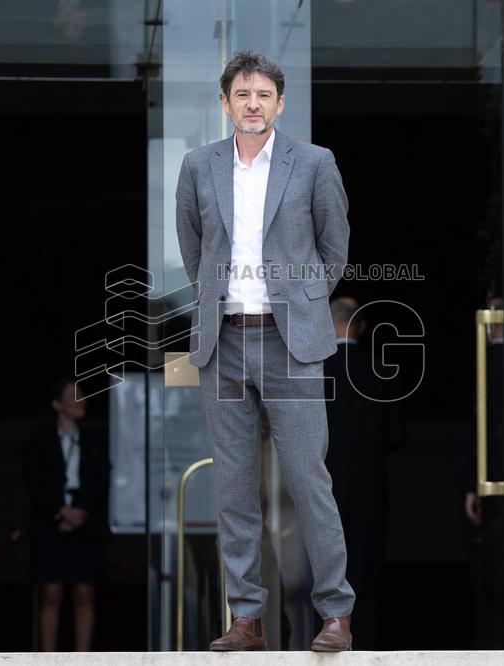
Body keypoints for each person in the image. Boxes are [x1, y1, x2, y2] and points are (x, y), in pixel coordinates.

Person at [175, 49, 355, 652]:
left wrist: (301, 304)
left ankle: (336, 612)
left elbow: (335, 249)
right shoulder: (198, 166)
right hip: (223, 340)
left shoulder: (314, 163)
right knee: (233, 489)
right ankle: (247, 618)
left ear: (280, 103)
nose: (253, 104)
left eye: (264, 95)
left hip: (291, 343)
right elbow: (194, 252)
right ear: (225, 103)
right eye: (242, 95)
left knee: (308, 478)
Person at [323, 297, 404, 649]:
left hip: (324, 483)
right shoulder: (383, 370)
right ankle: (366, 641)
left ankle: (324, 635)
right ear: (362, 326)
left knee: (326, 561)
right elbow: (396, 436)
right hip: (371, 482)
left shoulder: (313, 371)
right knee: (368, 564)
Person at [24, 379, 110, 652]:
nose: (81, 401)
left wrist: (80, 511)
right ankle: (47, 656)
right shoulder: (40, 438)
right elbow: (33, 479)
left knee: (85, 592)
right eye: (73, 396)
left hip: (86, 520)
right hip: (51, 522)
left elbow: (101, 478)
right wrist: (60, 510)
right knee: (51, 592)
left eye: (83, 396)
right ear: (57, 404)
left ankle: (83, 656)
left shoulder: (95, 438)